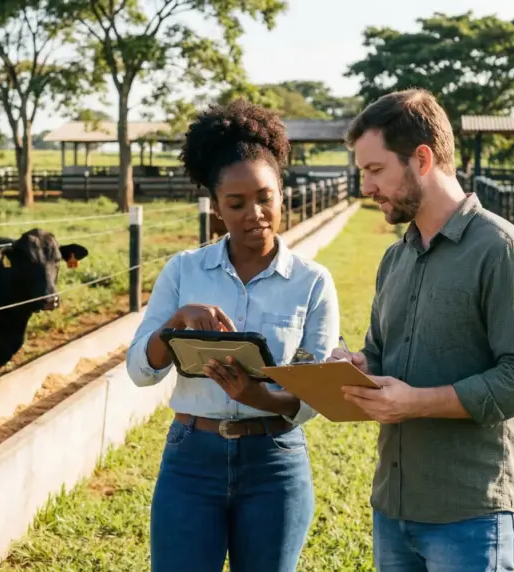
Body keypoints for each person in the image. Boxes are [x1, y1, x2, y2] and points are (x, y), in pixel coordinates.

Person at [329, 88, 514, 571]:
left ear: (423, 159)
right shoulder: (395, 258)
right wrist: (359, 366)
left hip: (471, 512)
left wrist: (416, 402)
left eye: (375, 170)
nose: (366, 187)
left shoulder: (502, 251)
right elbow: (382, 354)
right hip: (393, 505)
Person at [125, 99, 340, 572]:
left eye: (265, 197)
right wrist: (176, 323)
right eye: (236, 204)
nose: (254, 214)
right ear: (217, 208)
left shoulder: (313, 282)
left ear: (282, 192)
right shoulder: (183, 271)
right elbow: (140, 370)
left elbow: (314, 392)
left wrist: (257, 396)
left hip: (275, 464)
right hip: (190, 461)